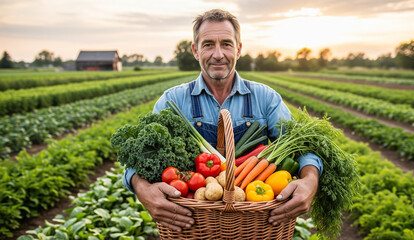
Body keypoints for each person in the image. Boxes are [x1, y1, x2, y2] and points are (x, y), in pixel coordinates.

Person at [123, 9, 323, 232]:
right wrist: (140, 186)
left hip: (255, 227)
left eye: (226, 44)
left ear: (238, 49)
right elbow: (140, 157)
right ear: (195, 51)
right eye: (208, 44)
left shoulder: (266, 98)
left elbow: (302, 146)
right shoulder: (172, 101)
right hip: (192, 227)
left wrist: (310, 180)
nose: (218, 54)